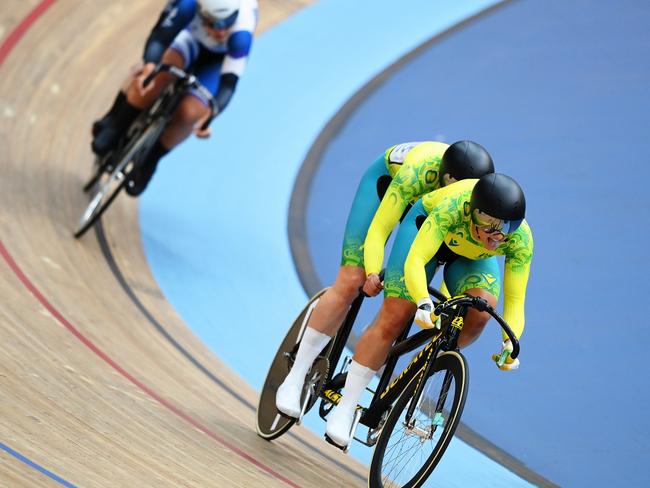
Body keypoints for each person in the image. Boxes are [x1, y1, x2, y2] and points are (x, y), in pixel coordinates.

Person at [275, 140, 495, 423]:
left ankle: (374, 336)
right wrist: (370, 271)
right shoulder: (418, 172)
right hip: (387, 190)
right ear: (445, 179)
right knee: (350, 281)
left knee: (404, 311)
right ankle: (295, 377)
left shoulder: (476, 207)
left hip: (436, 217)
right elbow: (380, 229)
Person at [324, 173, 533, 448]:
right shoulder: (454, 206)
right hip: (425, 231)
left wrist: (511, 341)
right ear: (474, 212)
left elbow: (516, 301)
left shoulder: (519, 240)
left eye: (505, 229)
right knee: (398, 313)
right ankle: (347, 404)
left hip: (470, 258)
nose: (497, 236)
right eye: (490, 226)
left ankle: (416, 372)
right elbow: (417, 259)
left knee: (480, 314)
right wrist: (422, 300)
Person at [91, 0, 257, 195]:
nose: (221, 32)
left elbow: (228, 85)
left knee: (189, 113)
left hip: (218, 60)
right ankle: (117, 122)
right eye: (214, 23)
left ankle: (150, 162)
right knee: (155, 76)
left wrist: (211, 113)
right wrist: (149, 65)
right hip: (190, 37)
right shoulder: (188, 5)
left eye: (228, 22)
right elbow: (160, 38)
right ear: (201, 11)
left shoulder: (241, 35)